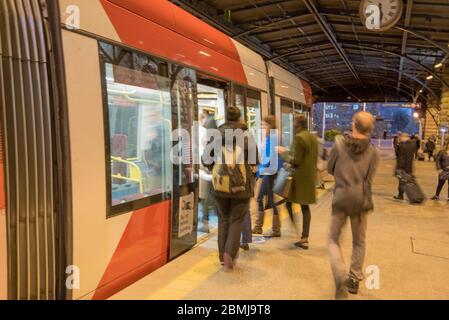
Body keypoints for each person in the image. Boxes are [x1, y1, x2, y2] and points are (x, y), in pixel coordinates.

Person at [327, 111, 379, 299]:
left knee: (333, 239)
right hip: (361, 201)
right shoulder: (373, 151)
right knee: (359, 241)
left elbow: (329, 168)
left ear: (354, 124)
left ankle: (340, 274)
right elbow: (369, 179)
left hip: (340, 198)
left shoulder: (339, 145)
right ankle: (354, 278)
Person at [202, 107, 258, 271]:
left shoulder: (216, 134)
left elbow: (205, 159)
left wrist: (216, 166)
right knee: (236, 220)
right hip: (241, 187)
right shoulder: (247, 135)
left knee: (224, 219)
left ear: (225, 118)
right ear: (240, 118)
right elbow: (255, 160)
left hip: (220, 185)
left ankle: (221, 256)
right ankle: (229, 253)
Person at [278, 115, 318, 250]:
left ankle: (296, 232)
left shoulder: (299, 137)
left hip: (298, 179)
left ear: (298, 125)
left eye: (294, 123)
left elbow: (296, 160)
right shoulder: (312, 137)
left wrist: (283, 153)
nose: (292, 125)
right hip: (309, 177)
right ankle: (304, 237)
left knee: (287, 203)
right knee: (305, 207)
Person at [253, 115, 282, 237]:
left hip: (268, 173)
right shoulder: (270, 137)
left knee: (265, 199)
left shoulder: (273, 138)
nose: (262, 126)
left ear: (269, 125)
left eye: (264, 124)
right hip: (268, 172)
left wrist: (259, 171)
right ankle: (265, 227)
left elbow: (269, 158)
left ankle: (269, 228)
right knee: (267, 200)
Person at [198, 114, 218, 233]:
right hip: (217, 174)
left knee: (206, 196)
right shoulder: (220, 138)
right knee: (212, 196)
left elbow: (205, 159)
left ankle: (205, 223)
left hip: (210, 173)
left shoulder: (208, 141)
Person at [394, 133, 417, 200]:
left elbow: (398, 155)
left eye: (401, 137)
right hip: (409, 166)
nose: (400, 138)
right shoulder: (412, 145)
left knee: (402, 182)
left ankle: (401, 196)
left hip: (402, 167)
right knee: (405, 182)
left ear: (404, 137)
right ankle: (401, 195)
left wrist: (397, 145)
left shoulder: (402, 145)